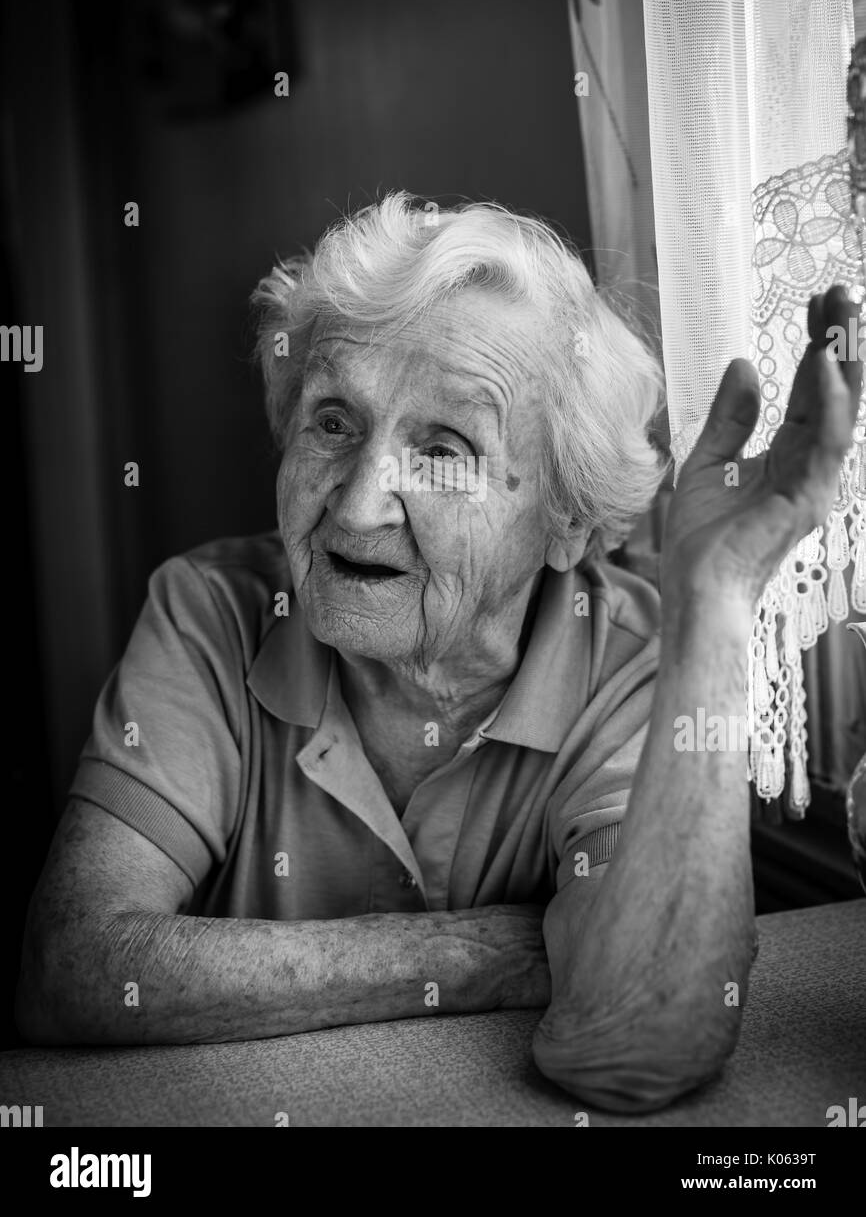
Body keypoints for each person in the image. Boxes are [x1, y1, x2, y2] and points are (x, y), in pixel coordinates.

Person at [16, 193, 860, 1113]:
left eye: (445, 448)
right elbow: (76, 963)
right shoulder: (211, 615)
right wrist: (490, 950)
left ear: (568, 519)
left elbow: (634, 1048)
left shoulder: (634, 671)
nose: (357, 505)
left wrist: (720, 600)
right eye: (333, 422)